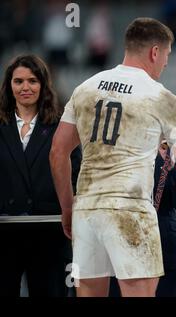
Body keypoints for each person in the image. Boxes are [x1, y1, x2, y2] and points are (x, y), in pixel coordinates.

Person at [49, 17, 176, 297]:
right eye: (167, 56)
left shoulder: (86, 88)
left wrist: (67, 207)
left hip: (87, 209)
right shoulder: (161, 97)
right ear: (155, 52)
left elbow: (57, 152)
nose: (166, 64)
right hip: (130, 209)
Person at [0, 54, 81, 297]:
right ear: (9, 86)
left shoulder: (62, 127)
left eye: (33, 81)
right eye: (18, 81)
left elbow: (74, 174)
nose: (25, 87)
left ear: (43, 85)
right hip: (4, 235)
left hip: (50, 235)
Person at [109, 141, 176, 297]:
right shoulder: (117, 149)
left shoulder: (169, 149)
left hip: (165, 247)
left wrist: (172, 167)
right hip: (124, 245)